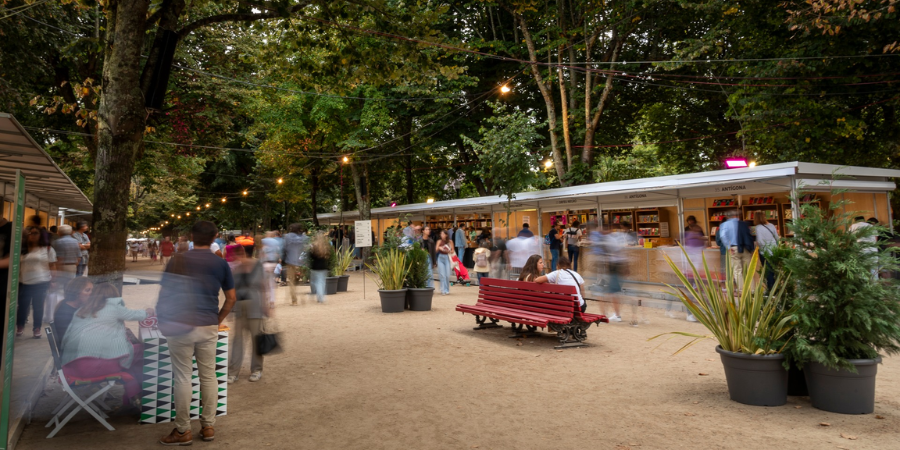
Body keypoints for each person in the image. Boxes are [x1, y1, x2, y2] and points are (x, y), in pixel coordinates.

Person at [157, 221, 237, 445]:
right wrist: (217, 320)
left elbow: (164, 295)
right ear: (216, 237)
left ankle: (183, 430)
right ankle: (208, 426)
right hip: (207, 325)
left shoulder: (178, 260)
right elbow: (231, 298)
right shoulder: (220, 263)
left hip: (179, 324)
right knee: (209, 375)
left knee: (183, 377)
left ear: (192, 236)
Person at [60, 284, 151, 406]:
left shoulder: (82, 310)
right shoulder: (113, 307)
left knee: (129, 358)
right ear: (114, 296)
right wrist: (149, 311)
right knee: (143, 351)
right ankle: (142, 397)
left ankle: (133, 399)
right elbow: (138, 315)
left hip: (73, 367)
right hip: (93, 368)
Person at [228, 246, 269, 383]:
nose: (236, 257)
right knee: (237, 340)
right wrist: (230, 309)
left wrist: (266, 305)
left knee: (256, 339)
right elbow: (232, 290)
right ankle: (233, 371)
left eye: (239, 254)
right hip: (240, 307)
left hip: (255, 306)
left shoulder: (258, 266)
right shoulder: (236, 269)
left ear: (245, 253)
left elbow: (264, 286)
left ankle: (257, 369)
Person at [17, 226, 57, 338]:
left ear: (41, 235)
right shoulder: (22, 249)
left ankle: (37, 328)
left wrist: (53, 280)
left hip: (41, 282)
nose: (32, 235)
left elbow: (52, 265)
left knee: (38, 306)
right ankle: (20, 326)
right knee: (22, 306)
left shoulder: (47, 249)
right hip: (23, 282)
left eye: (35, 233)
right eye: (30, 233)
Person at [718, 209, 754, 292]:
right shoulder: (744, 224)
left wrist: (728, 247)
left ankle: (742, 290)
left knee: (737, 270)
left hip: (733, 249)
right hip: (746, 249)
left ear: (728, 216)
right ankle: (751, 290)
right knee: (748, 270)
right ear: (737, 215)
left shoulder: (725, 224)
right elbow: (750, 236)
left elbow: (723, 236)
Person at [52, 277, 94, 347]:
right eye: (87, 290)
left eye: (92, 290)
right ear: (76, 293)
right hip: (72, 351)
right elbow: (69, 338)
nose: (91, 294)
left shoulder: (76, 307)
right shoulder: (64, 312)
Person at [282, 224, 308, 305]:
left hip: (290, 262)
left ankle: (294, 300)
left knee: (291, 281)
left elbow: (284, 248)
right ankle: (302, 298)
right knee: (300, 280)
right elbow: (307, 247)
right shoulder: (304, 238)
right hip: (301, 262)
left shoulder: (287, 237)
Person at [753, 211, 780, 290]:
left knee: (768, 271)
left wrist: (756, 246)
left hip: (765, 252)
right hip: (774, 250)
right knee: (774, 269)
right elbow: (777, 238)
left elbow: (760, 241)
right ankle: (777, 287)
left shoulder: (758, 227)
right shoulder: (771, 225)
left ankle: (771, 289)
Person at [260, 231, 282, 308]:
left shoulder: (263, 241)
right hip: (273, 263)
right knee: (271, 282)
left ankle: (265, 300)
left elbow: (261, 252)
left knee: (264, 283)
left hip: (265, 263)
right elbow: (278, 253)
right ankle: (272, 301)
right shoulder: (276, 242)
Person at [307, 232, 330, 304]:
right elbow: (328, 257)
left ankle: (320, 297)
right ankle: (321, 296)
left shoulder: (314, 246)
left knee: (315, 282)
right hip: (323, 266)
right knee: (322, 282)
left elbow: (310, 256)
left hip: (315, 266)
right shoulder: (325, 247)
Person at [436, 230, 454, 295]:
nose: (442, 235)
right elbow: (436, 250)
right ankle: (443, 290)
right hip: (440, 257)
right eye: (441, 234)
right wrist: (440, 248)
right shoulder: (439, 241)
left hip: (447, 258)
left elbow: (452, 251)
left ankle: (447, 289)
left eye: (443, 234)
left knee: (447, 275)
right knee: (442, 275)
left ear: (446, 235)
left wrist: (448, 250)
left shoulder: (450, 241)